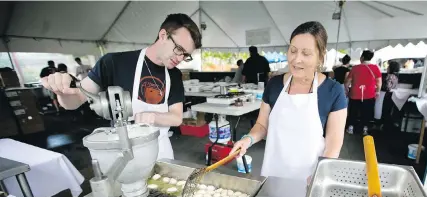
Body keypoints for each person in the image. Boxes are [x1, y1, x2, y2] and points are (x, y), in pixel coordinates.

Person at [41, 13, 202, 160]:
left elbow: (176, 117)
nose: (180, 58)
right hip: (122, 154)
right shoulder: (113, 63)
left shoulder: (173, 75)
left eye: (186, 55)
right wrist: (61, 91)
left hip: (161, 152)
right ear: (163, 35)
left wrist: (153, 117)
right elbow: (74, 101)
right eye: (179, 49)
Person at [231, 21, 347, 183]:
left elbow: (333, 142)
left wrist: (320, 173)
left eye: (306, 53)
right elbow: (262, 125)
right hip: (273, 171)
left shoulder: (333, 91)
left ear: (320, 56)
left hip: (311, 176)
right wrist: (247, 139)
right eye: (293, 51)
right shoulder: (275, 84)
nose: (296, 59)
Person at [344, 50, 382, 135]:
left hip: (355, 94)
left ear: (362, 58)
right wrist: (378, 92)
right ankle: (365, 129)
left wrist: (346, 90)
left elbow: (347, 82)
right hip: (369, 94)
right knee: (367, 112)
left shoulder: (355, 68)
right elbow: (379, 82)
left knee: (353, 111)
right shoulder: (375, 68)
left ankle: (351, 128)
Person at [380, 61, 400, 128]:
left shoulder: (390, 76)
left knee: (385, 110)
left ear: (391, 68)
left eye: (388, 67)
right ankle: (387, 125)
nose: (387, 68)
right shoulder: (396, 76)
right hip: (393, 95)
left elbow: (388, 87)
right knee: (389, 110)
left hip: (388, 95)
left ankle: (383, 125)